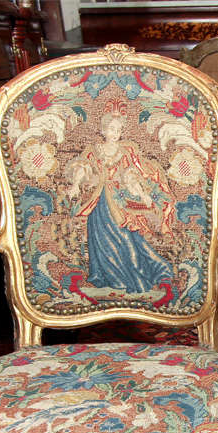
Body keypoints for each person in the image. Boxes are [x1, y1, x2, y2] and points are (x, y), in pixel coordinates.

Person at [67, 109, 175, 294]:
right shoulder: (94, 151)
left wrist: (142, 194)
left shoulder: (125, 152)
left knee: (126, 239)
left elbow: (132, 175)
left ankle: (132, 275)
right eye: (111, 129)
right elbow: (83, 167)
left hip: (119, 202)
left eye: (118, 130)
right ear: (103, 130)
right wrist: (76, 184)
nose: (115, 133)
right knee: (101, 241)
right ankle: (108, 277)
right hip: (99, 203)